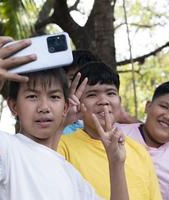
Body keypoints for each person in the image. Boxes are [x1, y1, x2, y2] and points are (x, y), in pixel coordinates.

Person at [0, 36, 129, 200]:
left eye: (54, 97)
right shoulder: (8, 147)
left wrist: (116, 163)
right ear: (14, 106)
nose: (44, 107)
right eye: (32, 96)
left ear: (65, 107)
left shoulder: (73, 177)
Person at [58, 62, 162, 200]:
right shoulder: (62, 146)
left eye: (110, 93)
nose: (103, 101)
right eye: (92, 94)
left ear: (119, 101)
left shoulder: (140, 151)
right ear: (77, 103)